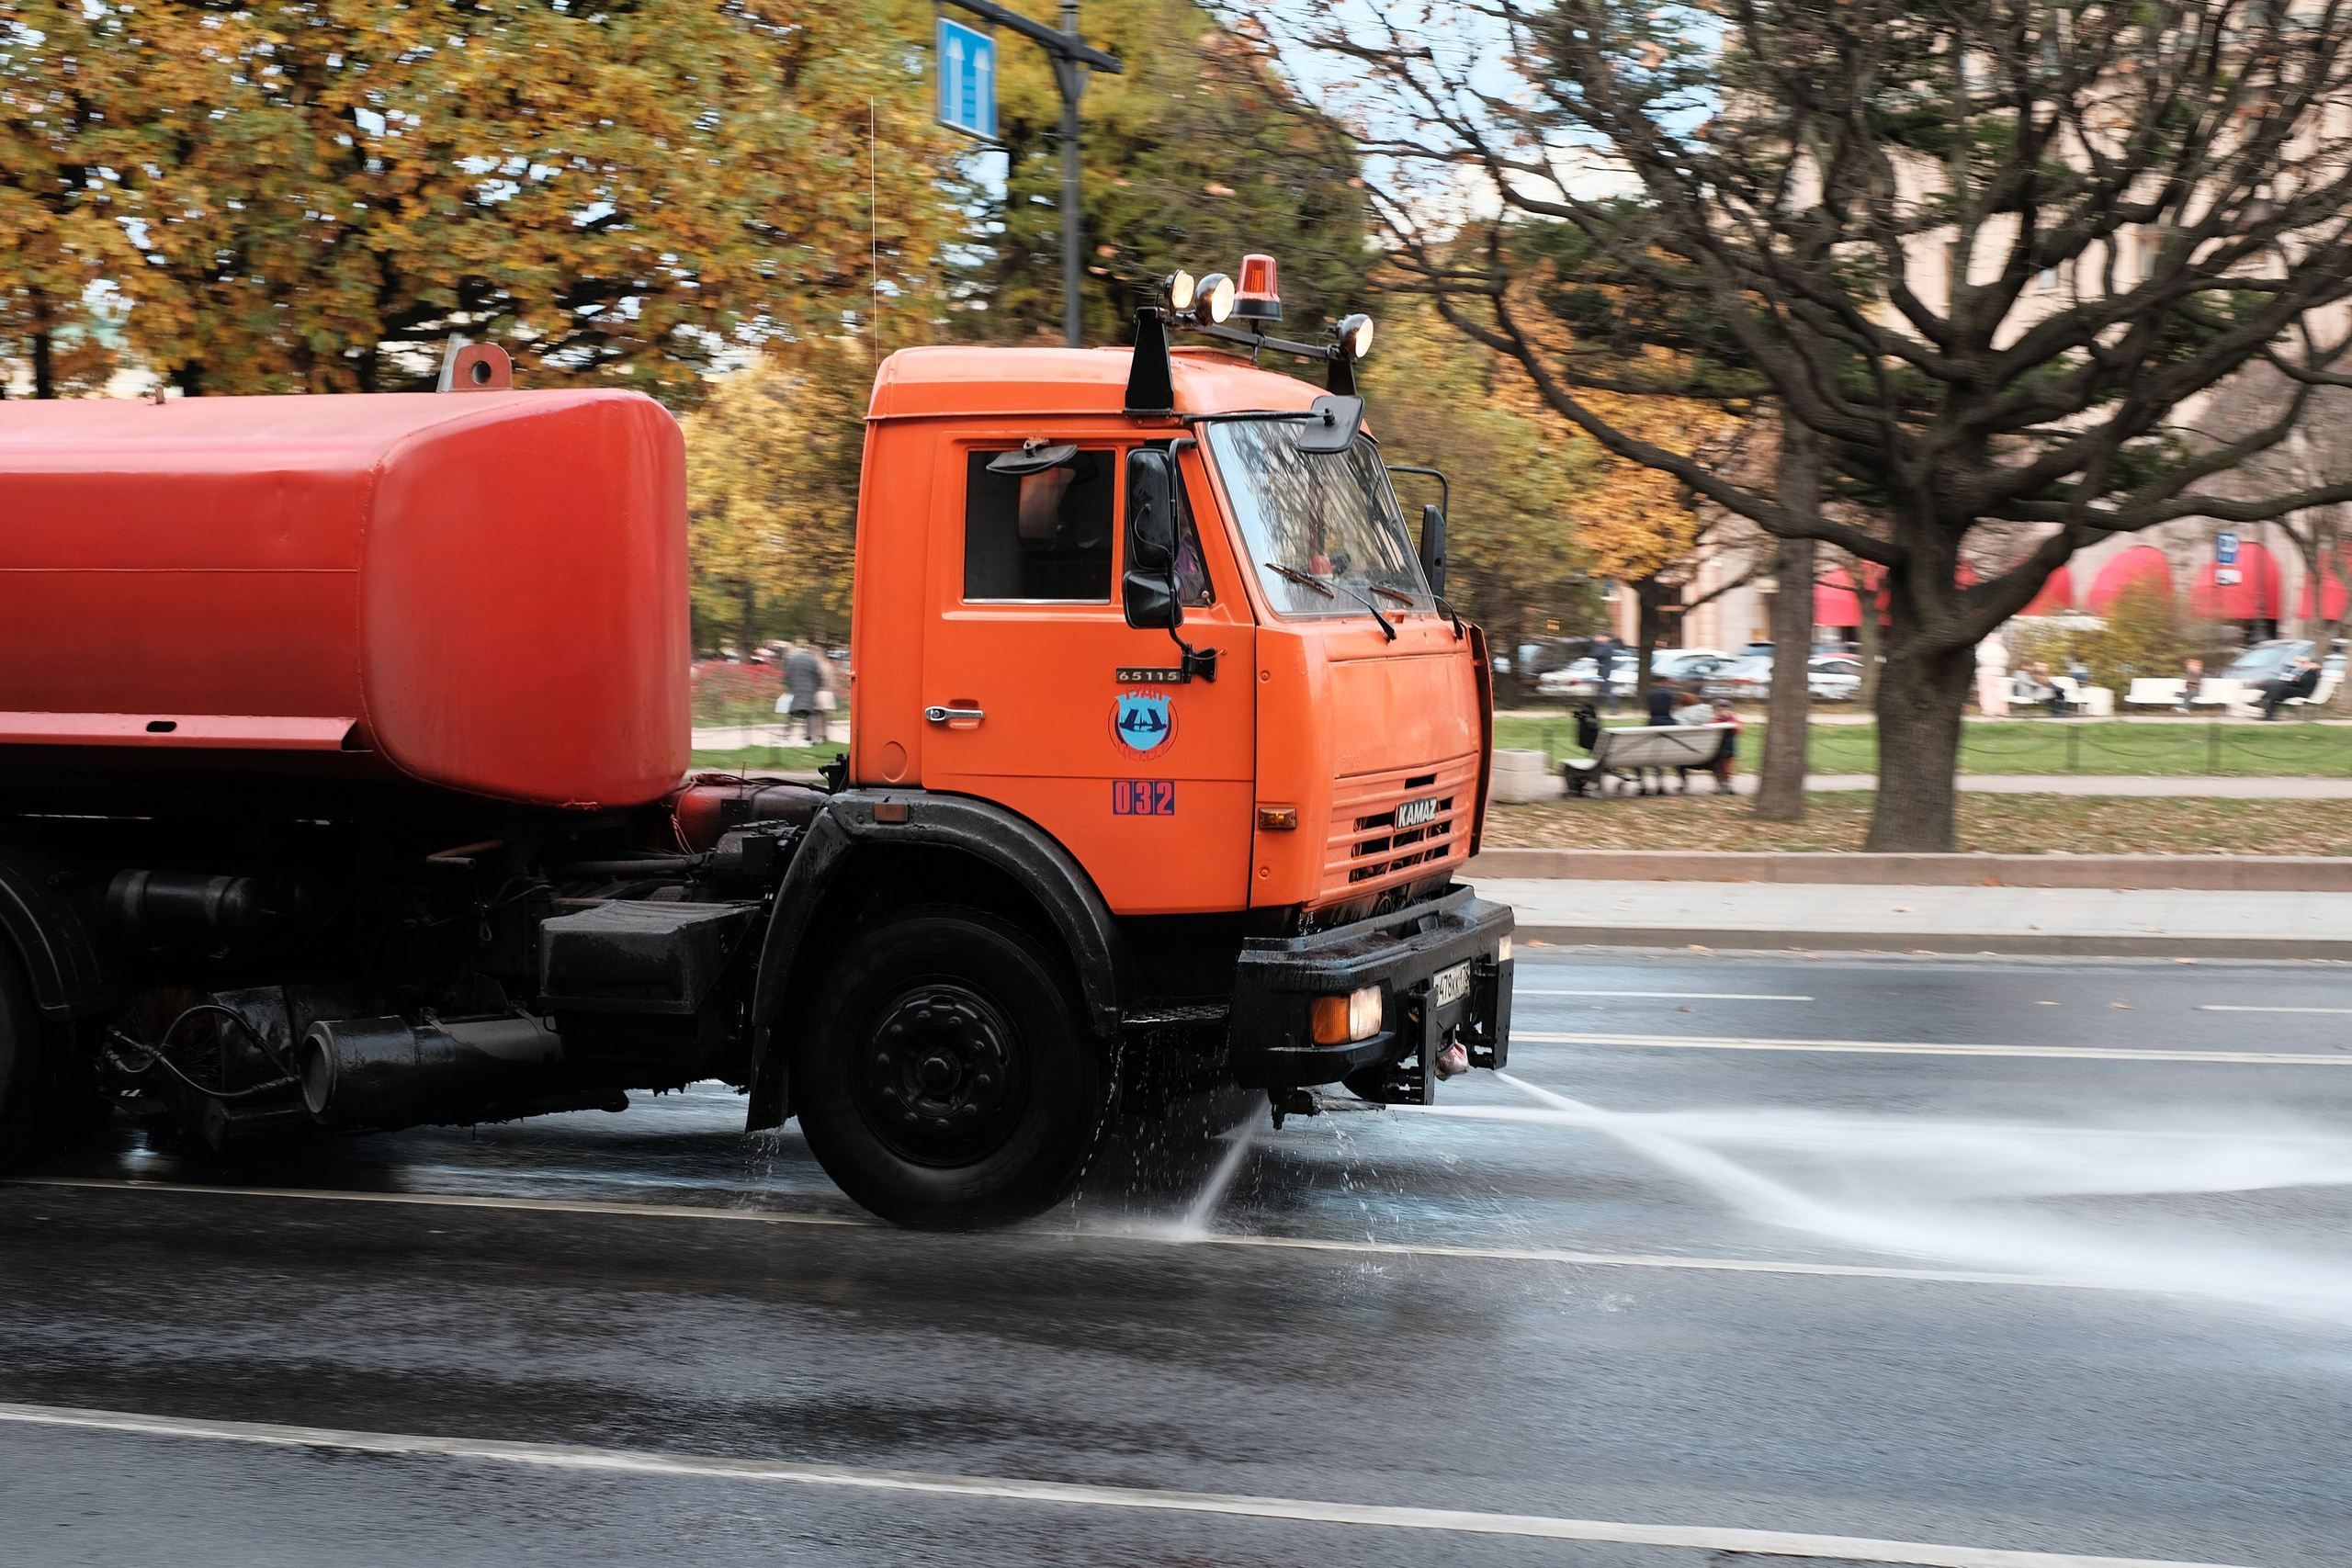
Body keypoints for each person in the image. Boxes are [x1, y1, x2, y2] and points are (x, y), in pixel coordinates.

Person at [783, 641, 828, 744]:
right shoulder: (813, 661)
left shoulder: (793, 660)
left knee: (791, 713)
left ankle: (786, 734)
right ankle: (808, 736)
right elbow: (818, 676)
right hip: (809, 691)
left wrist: (790, 688)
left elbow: (787, 675)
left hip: (796, 690)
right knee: (809, 714)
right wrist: (816, 688)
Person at [2256, 656, 2320, 719]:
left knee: (2279, 688)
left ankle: (2264, 700)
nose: (2302, 664)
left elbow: (2302, 681)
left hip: (2302, 692)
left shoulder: (2312, 672)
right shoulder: (2302, 670)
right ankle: (2265, 704)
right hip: (2294, 688)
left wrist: (2296, 679)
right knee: (2274, 685)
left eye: (2305, 663)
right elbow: (2295, 680)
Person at [1974, 630, 2010, 716]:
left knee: (1986, 692)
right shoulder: (2001, 649)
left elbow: (1979, 658)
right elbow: (2006, 660)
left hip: (1985, 672)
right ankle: (2002, 710)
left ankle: (1988, 710)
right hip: (1999, 673)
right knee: (2000, 692)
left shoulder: (1984, 647)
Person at [1591, 633, 1622, 713]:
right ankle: (1595, 708)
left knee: (1607, 691)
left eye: (1600, 637)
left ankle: (1615, 709)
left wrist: (1597, 644)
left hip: (1605, 671)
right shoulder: (1604, 646)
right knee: (1600, 691)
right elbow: (1593, 654)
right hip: (1602, 670)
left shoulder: (1607, 646)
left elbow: (1597, 654)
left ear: (1606, 638)